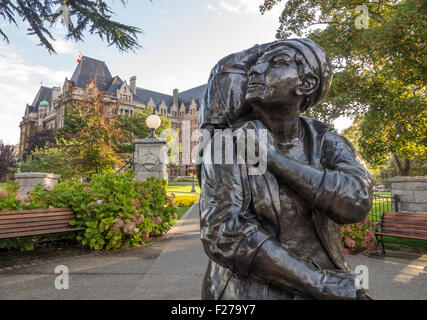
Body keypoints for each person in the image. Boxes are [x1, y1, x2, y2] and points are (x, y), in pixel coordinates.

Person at [198, 39, 374, 300]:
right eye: (256, 65)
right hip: (248, 293)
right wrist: (318, 283)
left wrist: (274, 159)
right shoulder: (226, 142)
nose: (256, 70)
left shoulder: (326, 140)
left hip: (329, 282)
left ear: (307, 84)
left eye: (276, 62)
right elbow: (224, 232)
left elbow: (357, 202)